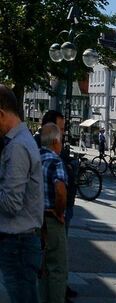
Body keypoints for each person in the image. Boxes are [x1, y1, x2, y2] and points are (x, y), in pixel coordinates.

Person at [0, 86, 44, 303]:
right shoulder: (21, 141)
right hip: (20, 244)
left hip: (17, 245)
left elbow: (11, 203)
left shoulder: (17, 146)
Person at [39, 123, 69, 303]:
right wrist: (59, 212)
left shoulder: (35, 157)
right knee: (57, 267)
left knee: (42, 268)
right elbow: (60, 190)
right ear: (56, 141)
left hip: (35, 219)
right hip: (51, 218)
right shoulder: (55, 161)